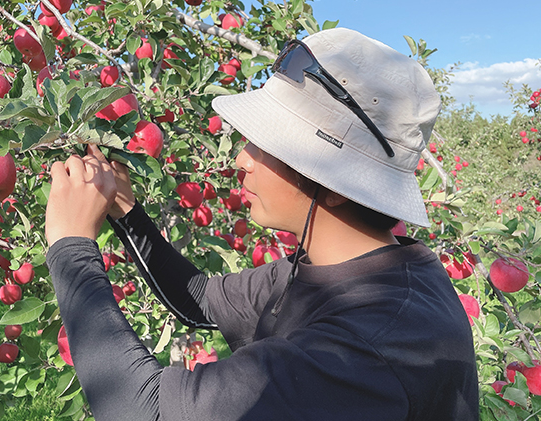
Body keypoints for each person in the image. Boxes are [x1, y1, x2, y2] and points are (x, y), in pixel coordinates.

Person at [44, 28, 479, 420]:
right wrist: (128, 212)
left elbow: (143, 412)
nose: (240, 159)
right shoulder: (340, 269)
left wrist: (70, 245)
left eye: (268, 144)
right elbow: (198, 300)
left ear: (337, 184)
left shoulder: (369, 345)